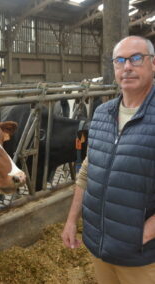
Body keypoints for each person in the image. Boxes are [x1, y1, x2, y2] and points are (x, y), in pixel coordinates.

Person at [61, 35, 155, 284]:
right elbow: (87, 171)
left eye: (136, 58)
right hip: (100, 246)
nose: (127, 67)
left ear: (152, 64)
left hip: (142, 256)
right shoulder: (102, 113)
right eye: (120, 60)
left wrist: (147, 231)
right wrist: (71, 221)